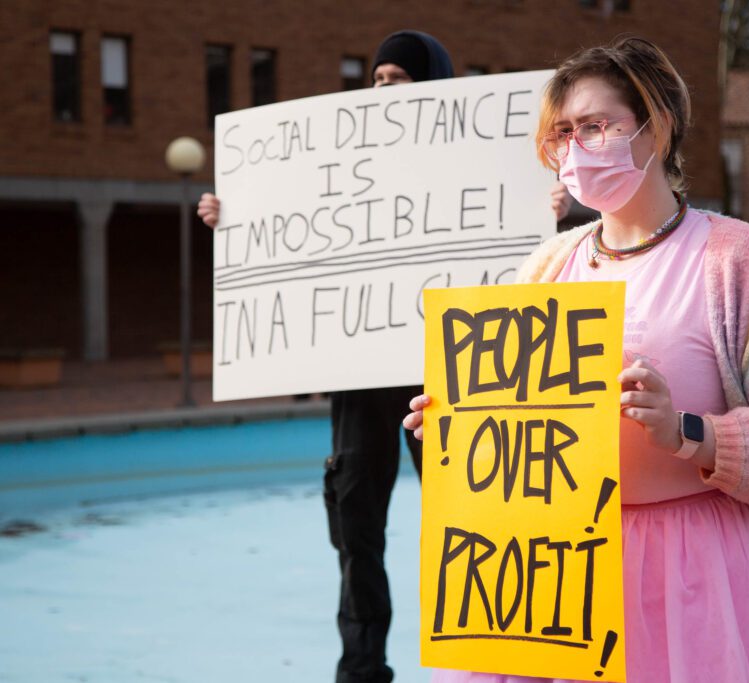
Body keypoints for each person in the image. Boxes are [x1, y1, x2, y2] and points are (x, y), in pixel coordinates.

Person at [404, 36, 749, 683]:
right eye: (563, 132)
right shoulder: (546, 267)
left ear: (654, 129)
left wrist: (692, 432)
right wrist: (461, 432)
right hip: (560, 588)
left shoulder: (740, 261)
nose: (576, 148)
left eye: (596, 126)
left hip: (704, 586)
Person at [197, 30, 571, 683]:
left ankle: (493, 653)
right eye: (375, 79)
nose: (382, 90)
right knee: (356, 521)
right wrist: (233, 217)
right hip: (361, 369)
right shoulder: (341, 163)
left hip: (454, 371)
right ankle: (362, 666)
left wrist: (560, 217)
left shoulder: (491, 166)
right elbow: (289, 231)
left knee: (471, 514)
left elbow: (543, 260)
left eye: (397, 78)